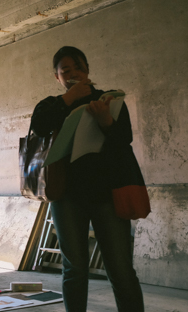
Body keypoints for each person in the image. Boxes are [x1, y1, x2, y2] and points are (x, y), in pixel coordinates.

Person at [30, 46, 144, 312]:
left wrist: (106, 121)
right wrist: (69, 99)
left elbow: (123, 140)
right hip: (67, 195)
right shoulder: (52, 104)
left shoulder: (110, 100)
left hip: (107, 194)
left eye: (78, 68)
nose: (72, 74)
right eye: (65, 71)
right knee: (74, 269)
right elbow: (39, 125)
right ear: (56, 77)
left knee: (120, 268)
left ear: (88, 70)